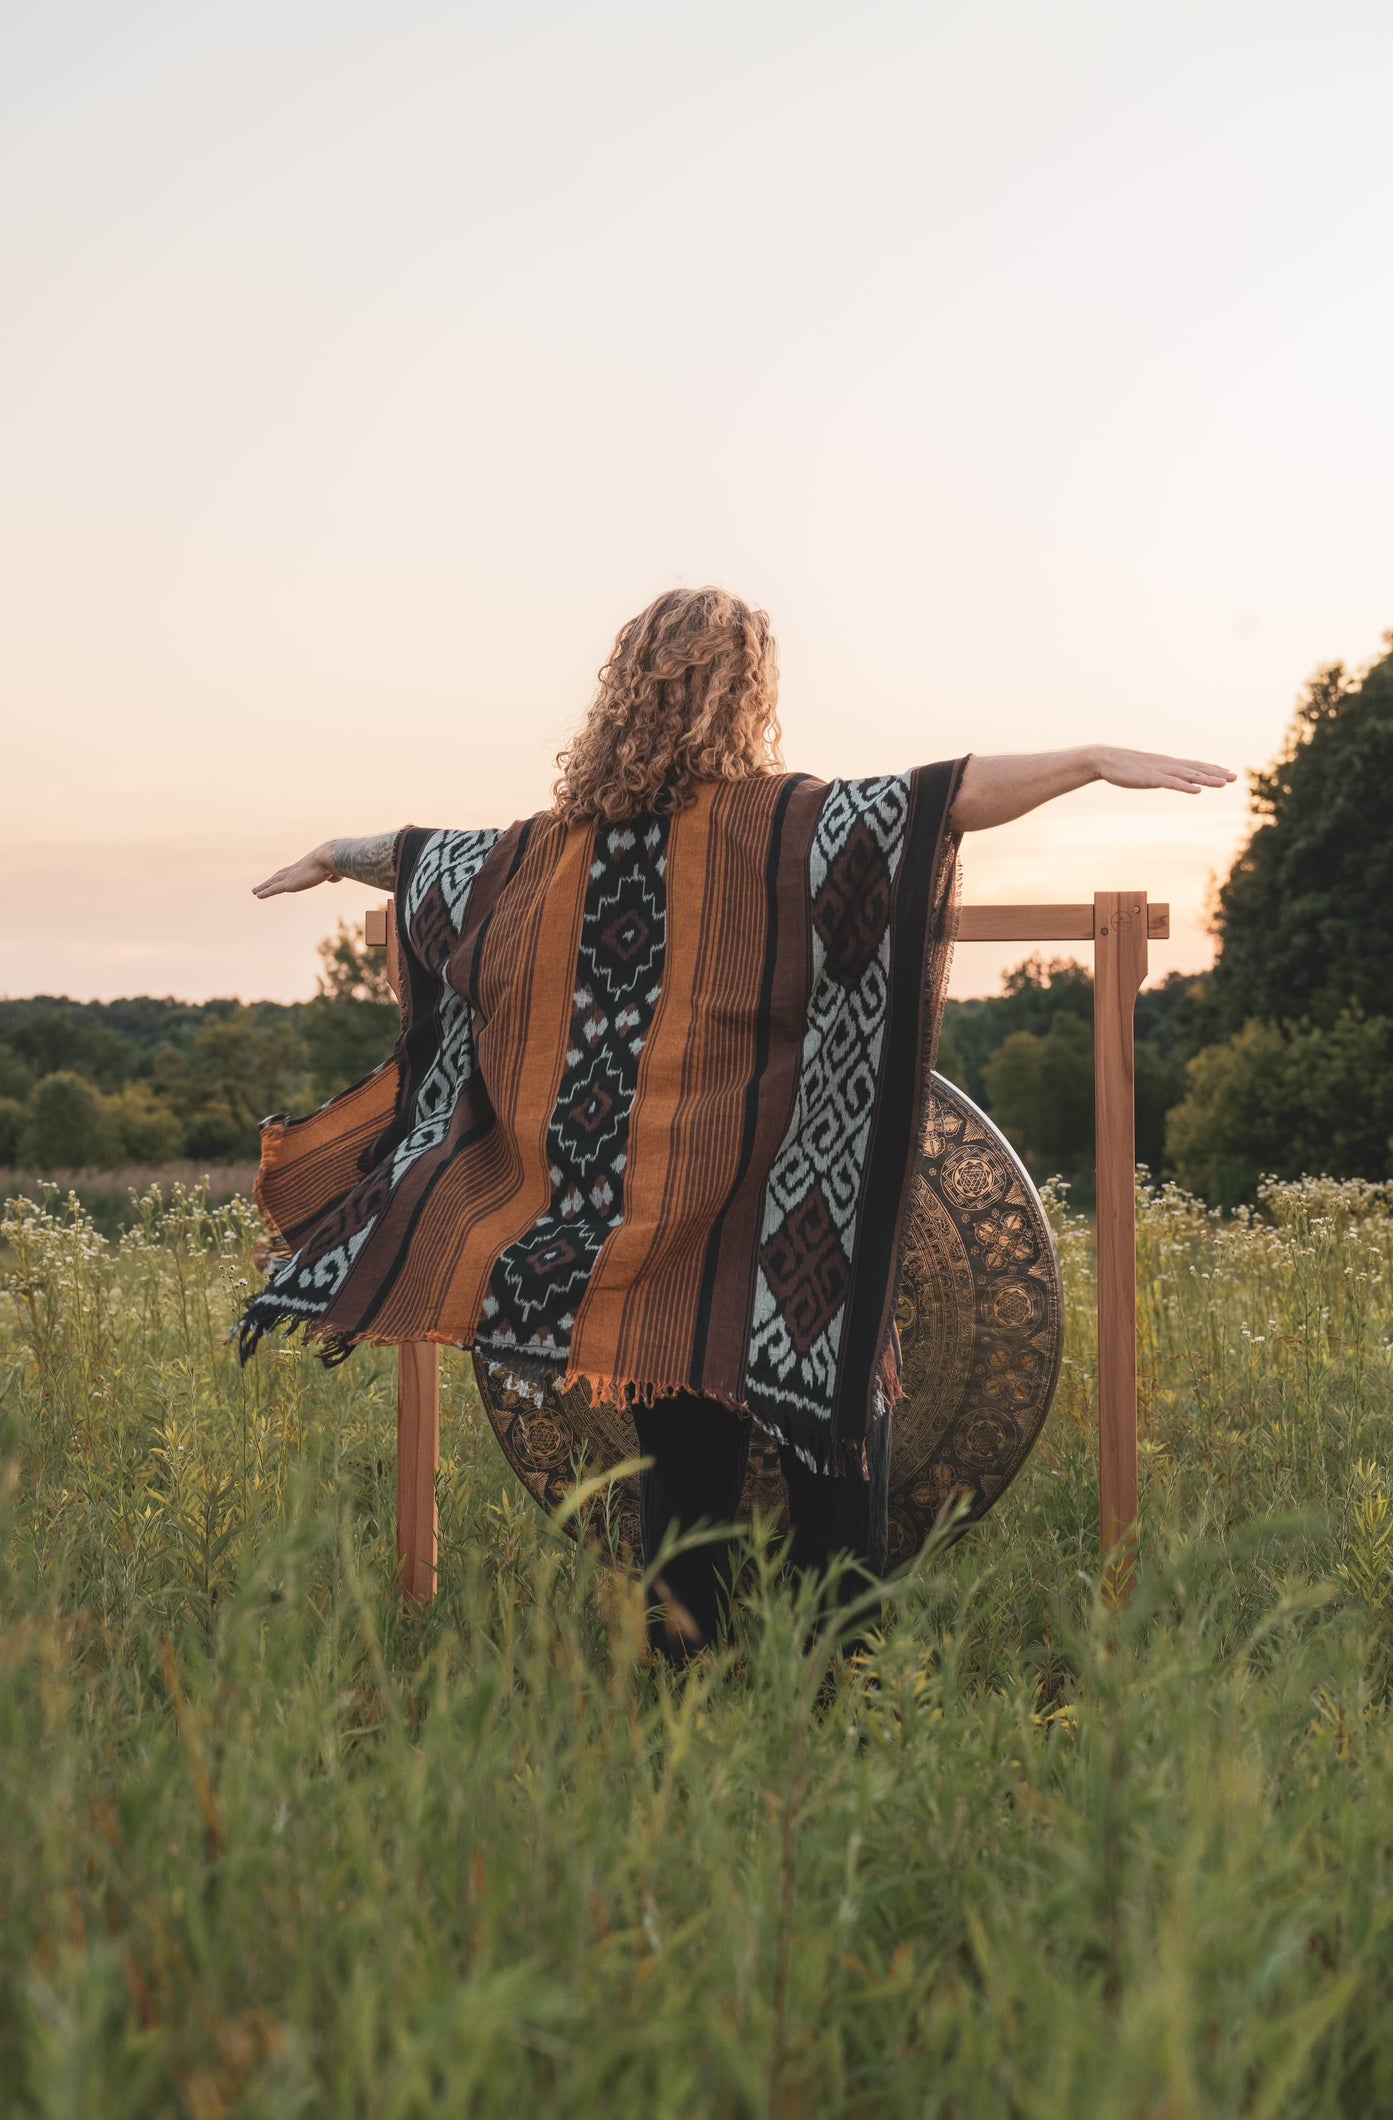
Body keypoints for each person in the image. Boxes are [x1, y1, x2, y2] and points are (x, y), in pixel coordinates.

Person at [250, 587, 1232, 1659]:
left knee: (684, 1498)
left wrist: (337, 853)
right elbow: (945, 798)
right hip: (786, 1230)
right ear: (745, 693)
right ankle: (836, 1703)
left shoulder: (557, 850)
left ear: (622, 689)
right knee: (834, 1472)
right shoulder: (786, 824)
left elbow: (435, 858)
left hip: (658, 1246)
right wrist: (1087, 756)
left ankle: (686, 1709)